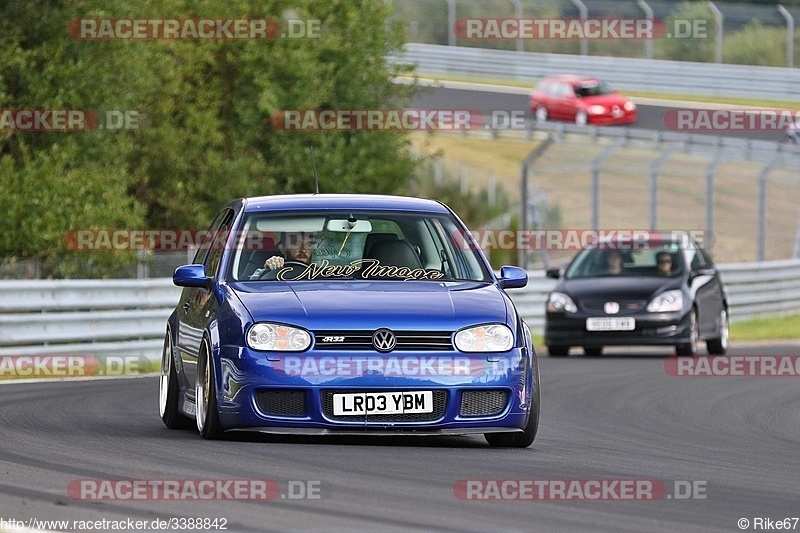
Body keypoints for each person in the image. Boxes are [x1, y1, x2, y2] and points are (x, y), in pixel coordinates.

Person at [249, 231, 315, 280]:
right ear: (283, 248)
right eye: (297, 243)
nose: (303, 250)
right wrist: (266, 270)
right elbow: (251, 287)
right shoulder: (274, 269)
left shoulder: (322, 273)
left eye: (308, 244)